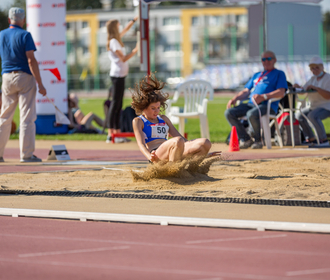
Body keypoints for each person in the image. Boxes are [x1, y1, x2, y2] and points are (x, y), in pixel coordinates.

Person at [132, 75, 221, 163]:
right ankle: (173, 171)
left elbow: (181, 139)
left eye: (158, 107)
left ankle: (192, 170)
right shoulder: (139, 121)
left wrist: (203, 153)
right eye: (153, 108)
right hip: (156, 154)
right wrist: (149, 156)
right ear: (144, 108)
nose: (156, 111)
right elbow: (141, 144)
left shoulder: (163, 119)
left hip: (173, 151)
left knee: (205, 142)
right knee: (177, 141)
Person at [0, 7, 47, 163]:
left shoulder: (1, 35)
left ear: (9, 20)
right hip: (24, 76)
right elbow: (31, 60)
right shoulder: (25, 35)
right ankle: (26, 155)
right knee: (26, 118)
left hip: (6, 76)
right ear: (23, 20)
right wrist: (40, 84)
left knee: (4, 117)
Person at [225, 50, 287, 149]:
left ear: (274, 60)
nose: (266, 61)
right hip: (251, 104)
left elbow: (281, 92)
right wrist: (234, 99)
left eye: (269, 58)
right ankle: (246, 139)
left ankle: (258, 141)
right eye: (263, 59)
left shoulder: (279, 74)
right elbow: (246, 91)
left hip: (267, 105)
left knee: (251, 114)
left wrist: (264, 97)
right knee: (229, 112)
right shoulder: (257, 75)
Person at [106, 17, 138, 143]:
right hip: (117, 76)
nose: (120, 26)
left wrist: (134, 20)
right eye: (118, 24)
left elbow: (126, 28)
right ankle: (111, 134)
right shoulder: (113, 41)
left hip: (121, 75)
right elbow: (123, 58)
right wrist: (135, 51)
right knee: (115, 104)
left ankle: (117, 133)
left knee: (118, 104)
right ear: (114, 27)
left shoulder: (116, 38)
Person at [293, 56, 330, 147]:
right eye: (312, 68)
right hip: (313, 106)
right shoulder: (312, 79)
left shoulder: (328, 78)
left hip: (326, 107)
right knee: (299, 115)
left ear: (322, 67)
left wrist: (316, 88)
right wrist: (297, 87)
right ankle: (311, 138)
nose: (315, 70)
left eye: (317, 67)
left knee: (312, 115)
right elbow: (302, 93)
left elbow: (328, 96)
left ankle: (324, 140)